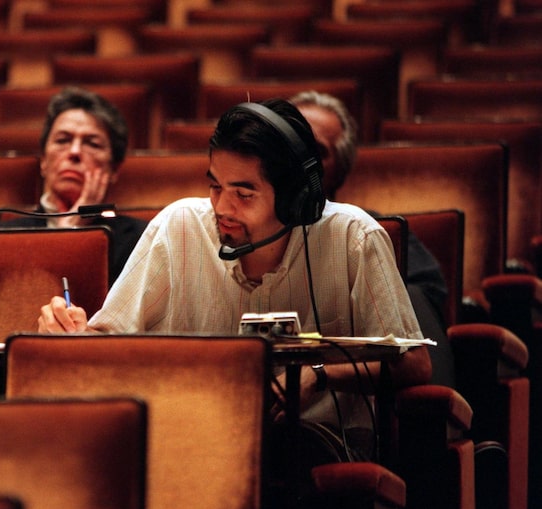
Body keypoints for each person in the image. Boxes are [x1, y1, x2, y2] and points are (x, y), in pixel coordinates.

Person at [38, 98, 431, 464]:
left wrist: (321, 374)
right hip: (196, 442)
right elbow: (107, 346)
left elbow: (413, 363)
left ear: (295, 197)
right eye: (215, 186)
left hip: (316, 448)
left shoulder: (354, 238)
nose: (222, 208)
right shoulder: (178, 228)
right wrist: (71, 337)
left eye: (244, 193)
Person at [290, 90, 453, 387]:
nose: (302, 159)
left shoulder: (371, 232)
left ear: (340, 170)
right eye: (292, 144)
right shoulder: (238, 229)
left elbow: (422, 310)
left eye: (317, 150)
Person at [0, 86, 147, 286]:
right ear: (44, 161)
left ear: (114, 169)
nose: (74, 151)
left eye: (92, 144)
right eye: (63, 140)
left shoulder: (142, 244)